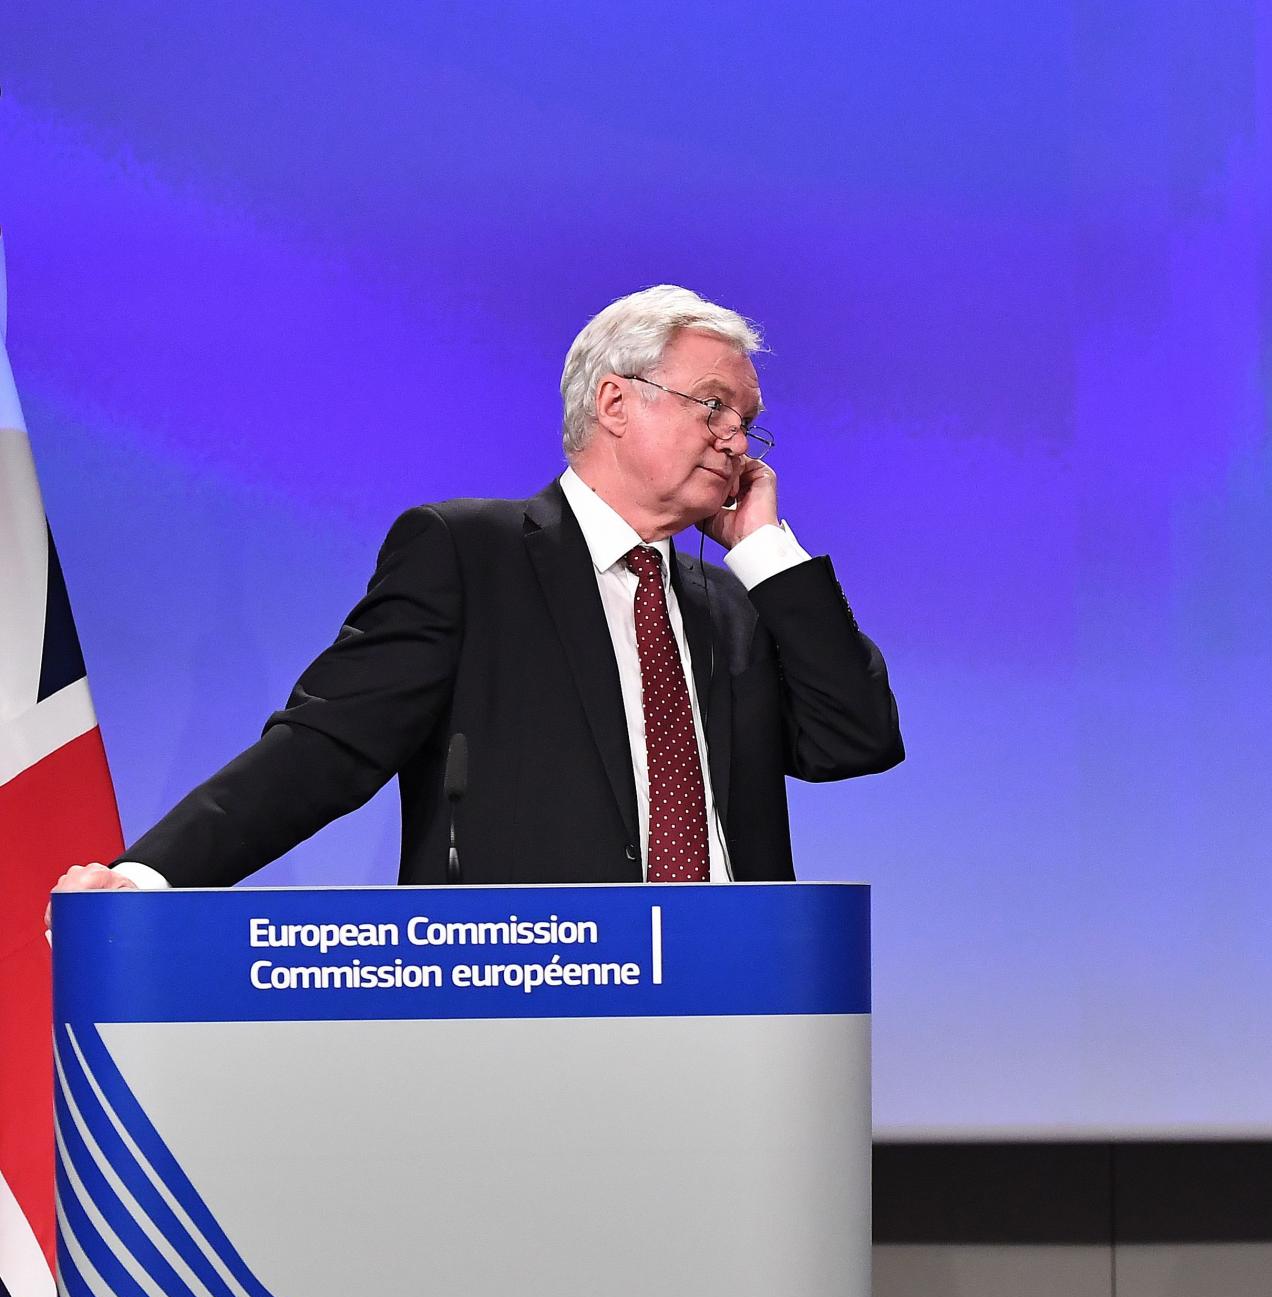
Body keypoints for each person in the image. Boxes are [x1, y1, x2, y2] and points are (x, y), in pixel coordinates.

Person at [55, 285, 901, 893]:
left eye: (748, 422)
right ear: (615, 403)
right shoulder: (467, 555)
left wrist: (767, 553)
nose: (738, 441)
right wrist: (152, 876)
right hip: (528, 1004)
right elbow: (328, 746)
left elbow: (853, 742)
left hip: (737, 1006)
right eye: (713, 406)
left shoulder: (737, 604)